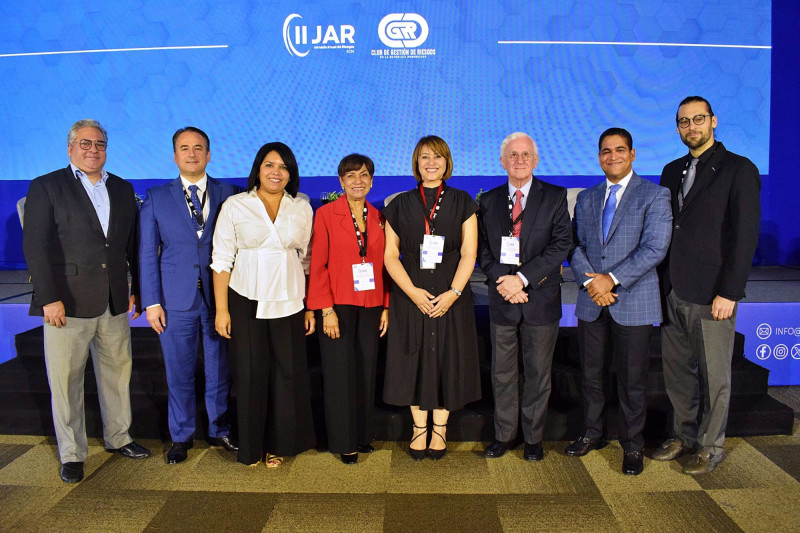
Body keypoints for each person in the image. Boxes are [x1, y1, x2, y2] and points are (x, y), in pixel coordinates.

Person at [22, 119, 150, 484]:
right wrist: (49, 298)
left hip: (113, 302)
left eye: (100, 143)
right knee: (65, 382)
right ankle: (72, 453)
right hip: (66, 305)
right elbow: (36, 247)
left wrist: (138, 288)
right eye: (85, 143)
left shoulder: (123, 189)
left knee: (116, 375)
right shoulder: (46, 186)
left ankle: (119, 437)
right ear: (70, 148)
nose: (93, 149)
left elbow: (131, 245)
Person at [654, 96, 761, 475]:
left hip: (714, 292)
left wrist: (730, 291)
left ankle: (711, 446)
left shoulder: (739, 169)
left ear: (713, 121)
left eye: (698, 119)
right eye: (683, 121)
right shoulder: (671, 171)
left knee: (715, 376)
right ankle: (682, 436)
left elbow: (744, 236)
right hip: (672, 289)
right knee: (678, 373)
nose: (691, 127)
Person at [566, 128, 672, 475]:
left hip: (634, 299)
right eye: (606, 151)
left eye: (620, 150)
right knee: (592, 375)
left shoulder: (655, 195)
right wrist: (592, 280)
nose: (612, 156)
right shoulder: (587, 197)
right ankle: (592, 433)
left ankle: (632, 445)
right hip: (591, 300)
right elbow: (574, 246)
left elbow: (655, 248)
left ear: (633, 154)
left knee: (632, 379)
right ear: (599, 156)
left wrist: (609, 279)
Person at [138, 127, 240, 464]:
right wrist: (151, 301)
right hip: (174, 300)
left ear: (209, 154)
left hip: (219, 299)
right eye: (185, 148)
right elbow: (147, 254)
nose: (192, 153)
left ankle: (219, 428)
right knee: (178, 372)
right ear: (175, 156)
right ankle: (180, 436)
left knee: (219, 369)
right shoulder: (156, 196)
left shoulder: (230, 193)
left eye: (199, 148)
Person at [211, 142, 316, 467]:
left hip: (289, 301)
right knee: (250, 374)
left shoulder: (301, 207)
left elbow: (309, 260)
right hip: (244, 300)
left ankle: (279, 445)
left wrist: (310, 306)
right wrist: (222, 309)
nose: (276, 172)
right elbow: (221, 260)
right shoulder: (235, 205)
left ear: (291, 174)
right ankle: (251, 445)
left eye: (283, 167)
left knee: (287, 376)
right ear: (258, 169)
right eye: (270, 165)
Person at [382, 135, 481, 461]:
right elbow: (390, 256)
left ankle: (440, 429)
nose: (431, 163)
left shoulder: (463, 201)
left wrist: (453, 293)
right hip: (410, 297)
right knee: (413, 358)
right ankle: (418, 428)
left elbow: (469, 253)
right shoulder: (399, 204)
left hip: (451, 296)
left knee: (445, 359)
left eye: (437, 157)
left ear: (447, 162)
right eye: (425, 157)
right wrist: (411, 292)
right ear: (416, 162)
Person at [478, 132, 572, 462]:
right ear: (502, 161)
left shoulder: (555, 196)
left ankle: (533, 438)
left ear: (535, 160)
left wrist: (522, 279)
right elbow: (483, 250)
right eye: (513, 155)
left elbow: (561, 245)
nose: (519, 160)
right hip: (502, 299)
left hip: (540, 300)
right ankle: (504, 435)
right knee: (502, 373)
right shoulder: (487, 201)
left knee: (537, 374)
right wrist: (504, 282)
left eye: (525, 155)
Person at [307, 154, 389, 464]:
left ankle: (363, 434)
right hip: (337, 305)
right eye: (351, 175)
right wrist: (325, 310)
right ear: (341, 182)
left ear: (372, 180)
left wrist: (387, 306)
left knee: (365, 371)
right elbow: (318, 265)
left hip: (371, 304)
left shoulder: (380, 217)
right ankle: (344, 440)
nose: (358, 181)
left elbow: (386, 265)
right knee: (340, 374)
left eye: (364, 175)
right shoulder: (327, 214)